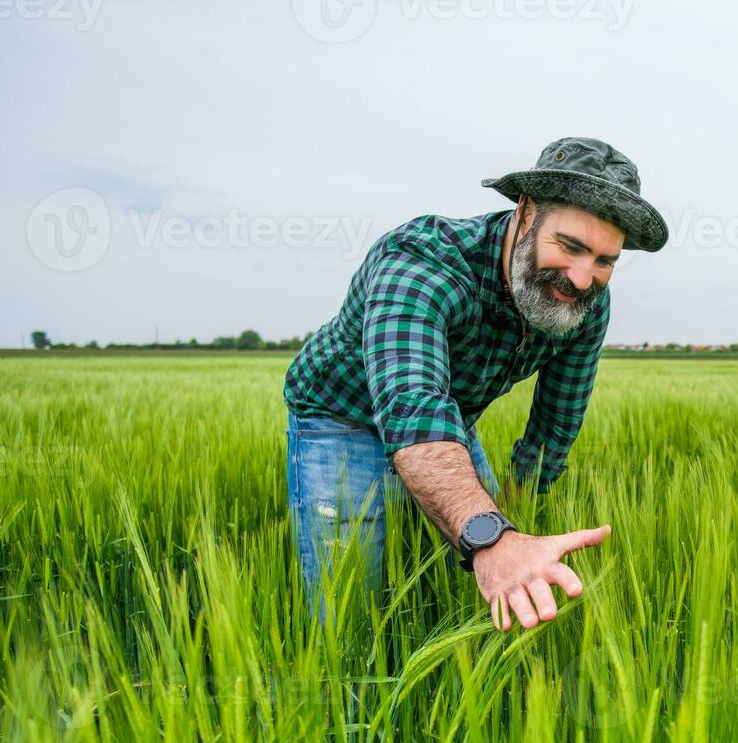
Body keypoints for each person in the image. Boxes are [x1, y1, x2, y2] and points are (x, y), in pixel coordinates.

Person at [282, 137, 667, 630]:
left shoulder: (585, 304)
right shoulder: (424, 261)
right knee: (346, 613)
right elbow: (413, 405)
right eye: (569, 246)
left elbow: (555, 425)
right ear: (526, 214)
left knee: (472, 593)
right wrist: (492, 538)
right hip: (342, 417)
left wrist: (512, 524)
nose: (581, 276)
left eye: (604, 260)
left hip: (452, 420)